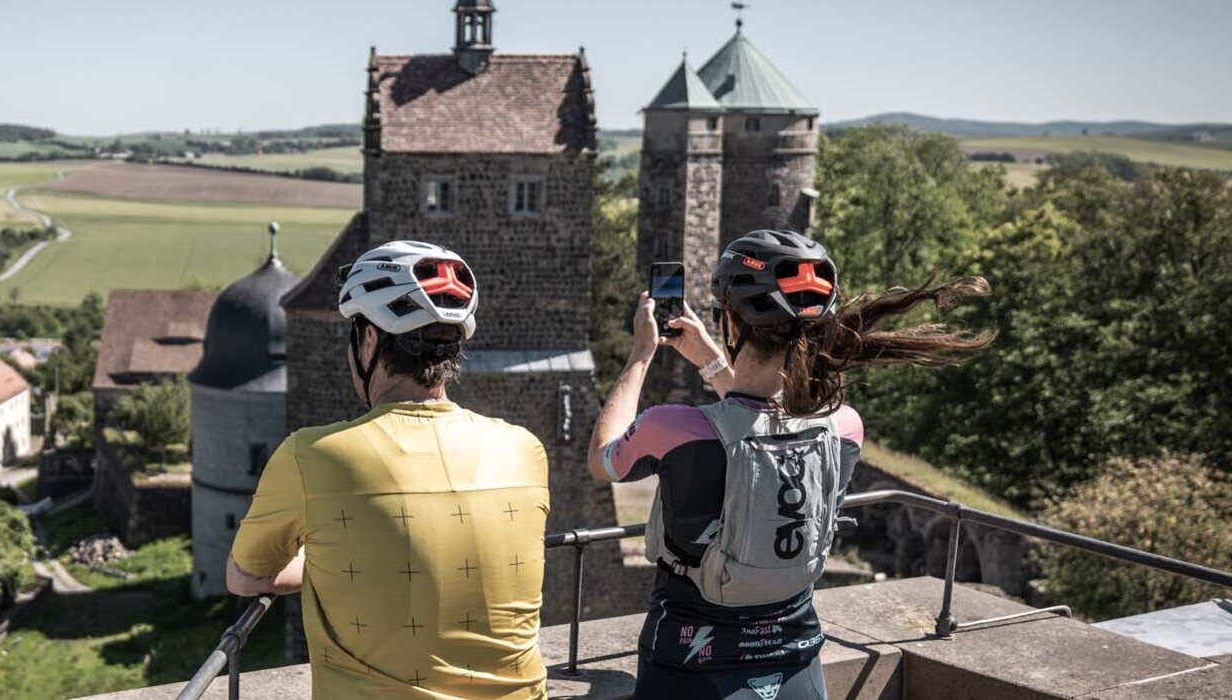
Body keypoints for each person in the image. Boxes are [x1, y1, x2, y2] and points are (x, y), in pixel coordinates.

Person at [586, 230, 992, 700]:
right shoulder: (843, 427)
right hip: (797, 660)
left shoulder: (672, 428)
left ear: (731, 325)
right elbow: (765, 424)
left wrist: (641, 355)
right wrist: (712, 363)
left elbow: (604, 461)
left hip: (689, 665)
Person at [228, 240, 552, 699]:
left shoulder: (311, 455)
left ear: (370, 340)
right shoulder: (523, 449)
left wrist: (328, 559)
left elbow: (245, 574)